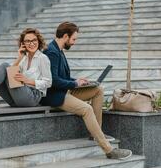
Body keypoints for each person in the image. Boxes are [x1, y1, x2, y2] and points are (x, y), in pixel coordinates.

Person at [40, 22, 132, 159]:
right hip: (55, 95)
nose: (74, 42)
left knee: (98, 89)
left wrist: (78, 81)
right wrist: (74, 83)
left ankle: (96, 133)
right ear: (65, 36)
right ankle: (108, 150)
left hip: (64, 90)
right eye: (73, 39)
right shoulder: (51, 52)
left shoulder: (58, 50)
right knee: (86, 109)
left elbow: (61, 77)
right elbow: (52, 81)